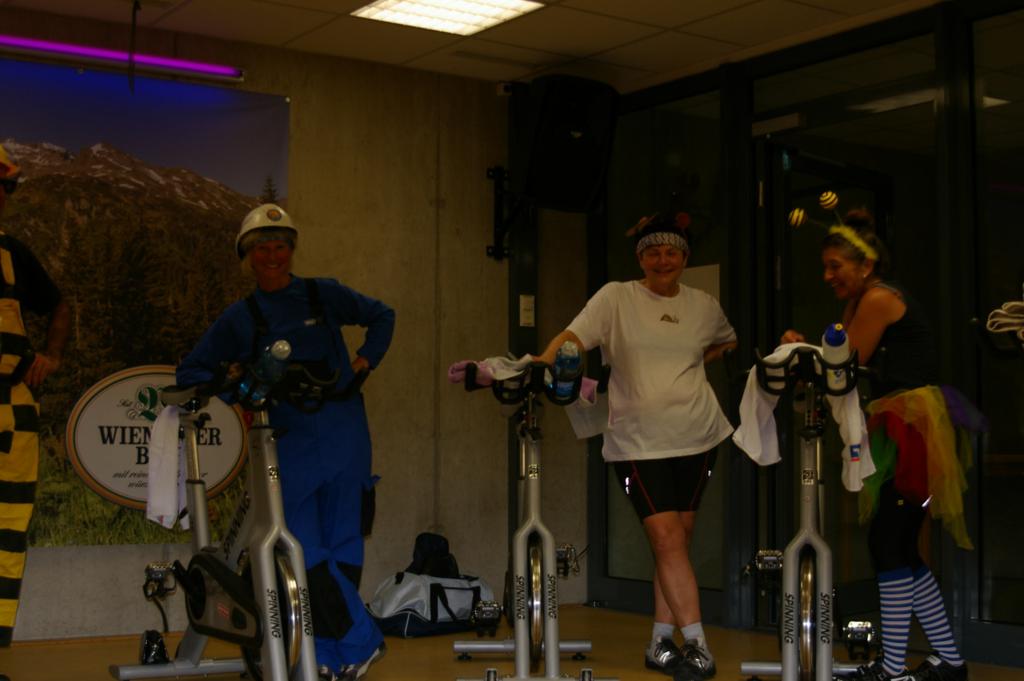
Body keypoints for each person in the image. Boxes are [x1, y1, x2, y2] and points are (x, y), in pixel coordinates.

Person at [177, 204, 394, 681]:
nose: (272, 255)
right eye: (262, 249)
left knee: (343, 548)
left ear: (291, 250)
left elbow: (382, 316)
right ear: (247, 256)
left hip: (345, 433)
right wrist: (235, 385)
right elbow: (192, 370)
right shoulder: (240, 318)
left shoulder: (323, 294)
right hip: (288, 442)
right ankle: (362, 641)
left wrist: (365, 361)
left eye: (280, 246)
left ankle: (329, 661)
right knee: (303, 551)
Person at [781, 208, 981, 681]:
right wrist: (807, 349)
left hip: (910, 426)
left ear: (866, 264)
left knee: (889, 542)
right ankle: (949, 661)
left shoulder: (877, 299)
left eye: (835, 266)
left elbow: (843, 367)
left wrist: (802, 353)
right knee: (899, 544)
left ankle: (894, 667)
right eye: (825, 266)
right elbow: (841, 359)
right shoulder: (861, 301)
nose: (827, 276)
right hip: (899, 423)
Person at [536, 212, 736, 681]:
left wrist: (693, 365)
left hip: (698, 435)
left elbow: (727, 342)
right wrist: (543, 362)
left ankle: (659, 642)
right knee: (666, 539)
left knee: (677, 541)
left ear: (685, 257)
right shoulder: (616, 298)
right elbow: (572, 338)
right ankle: (698, 645)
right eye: (652, 252)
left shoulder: (703, 305)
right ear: (640, 258)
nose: (662, 260)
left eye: (671, 252)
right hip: (637, 442)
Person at [0, 143, 70, 679]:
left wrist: (51, 354)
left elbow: (59, 303)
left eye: (5, 187)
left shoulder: (13, 252)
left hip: (13, 409)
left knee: (6, 534)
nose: (1, 196)